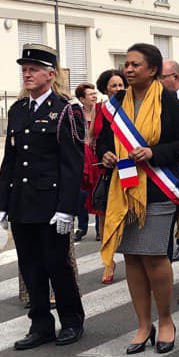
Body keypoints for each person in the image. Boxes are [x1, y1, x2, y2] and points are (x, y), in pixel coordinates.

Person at [98, 43, 179, 354]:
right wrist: (107, 154)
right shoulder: (114, 103)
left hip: (157, 188)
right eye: (126, 64)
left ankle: (165, 319)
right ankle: (143, 323)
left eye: (136, 65)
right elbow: (102, 141)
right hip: (124, 190)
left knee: (153, 255)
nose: (128, 69)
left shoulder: (168, 101)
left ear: (152, 70)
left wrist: (153, 152)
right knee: (133, 259)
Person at [0, 45, 87, 349]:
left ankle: (72, 320)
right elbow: (10, 159)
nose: (27, 74)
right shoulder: (19, 109)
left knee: (56, 264)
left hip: (50, 205)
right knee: (30, 266)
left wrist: (67, 209)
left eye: (33, 69)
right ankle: (40, 324)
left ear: (51, 74)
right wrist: (2, 202)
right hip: (23, 202)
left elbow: (72, 165)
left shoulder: (65, 110)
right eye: (24, 69)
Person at [86, 68, 125, 284]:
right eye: (114, 86)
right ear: (105, 89)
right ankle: (108, 262)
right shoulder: (100, 108)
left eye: (121, 85)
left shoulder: (131, 106)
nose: (118, 89)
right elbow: (93, 138)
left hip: (129, 166)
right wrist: (101, 152)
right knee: (103, 213)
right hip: (106, 167)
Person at [73, 82, 99, 240]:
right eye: (90, 94)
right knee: (81, 193)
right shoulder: (77, 115)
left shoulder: (101, 112)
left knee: (98, 193)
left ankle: (99, 228)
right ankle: (82, 227)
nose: (94, 96)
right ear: (82, 99)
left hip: (98, 157)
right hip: (83, 158)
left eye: (95, 93)